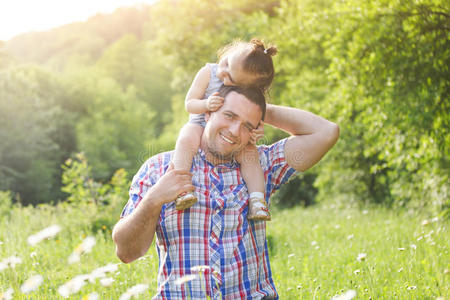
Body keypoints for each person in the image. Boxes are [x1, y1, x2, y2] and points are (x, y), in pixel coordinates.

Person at [112, 85, 339, 299]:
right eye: (229, 116)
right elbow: (126, 252)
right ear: (208, 113)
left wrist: (258, 108)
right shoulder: (158, 169)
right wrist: (155, 198)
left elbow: (326, 131)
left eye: (247, 125)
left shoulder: (261, 166)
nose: (234, 131)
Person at [173, 38, 277, 221]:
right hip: (199, 120)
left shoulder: (244, 86)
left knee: (250, 155)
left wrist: (257, 131)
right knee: (186, 138)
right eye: (226, 63)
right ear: (230, 52)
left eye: (230, 78)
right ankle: (181, 189)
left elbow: (251, 114)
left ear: (244, 85)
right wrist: (206, 104)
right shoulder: (208, 72)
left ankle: (257, 201)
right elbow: (189, 104)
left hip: (228, 130)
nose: (223, 73)